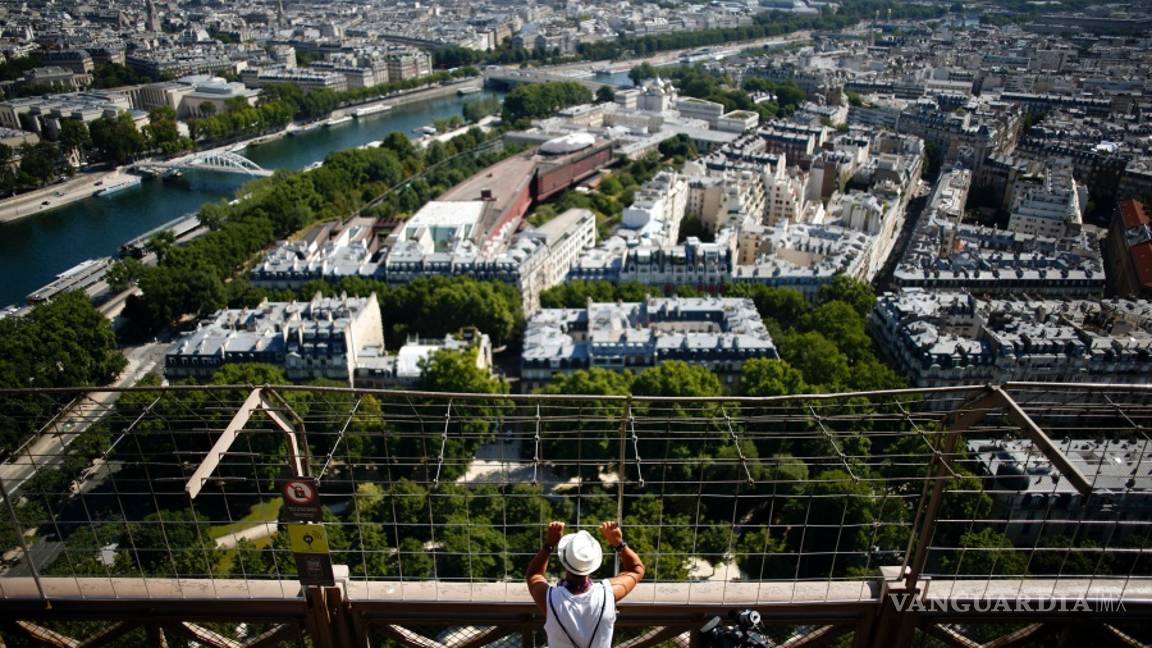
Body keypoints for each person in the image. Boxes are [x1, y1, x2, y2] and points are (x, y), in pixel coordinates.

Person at [526, 521, 645, 648]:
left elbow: (533, 574)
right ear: (593, 564)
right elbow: (636, 569)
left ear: (564, 560)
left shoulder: (550, 599)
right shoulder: (607, 594)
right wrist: (618, 543)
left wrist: (549, 544)